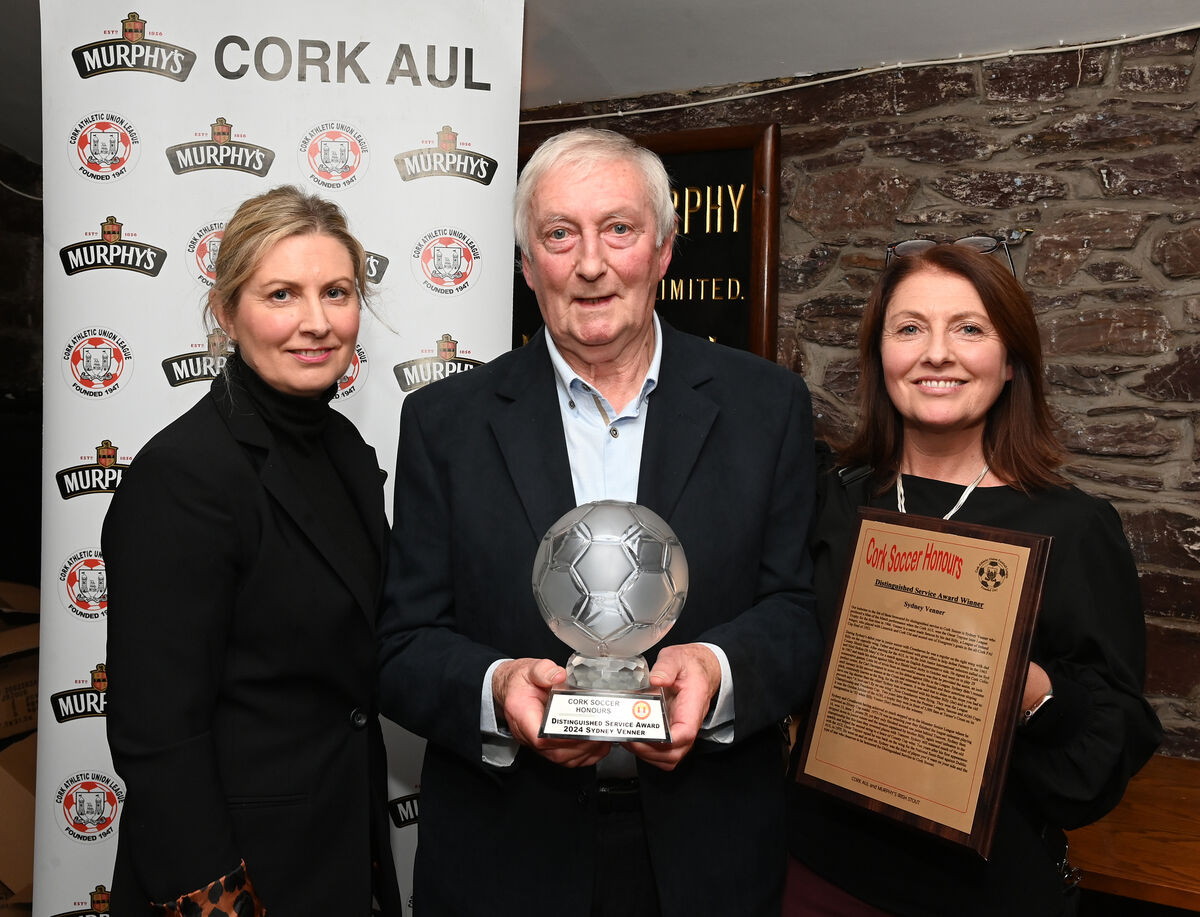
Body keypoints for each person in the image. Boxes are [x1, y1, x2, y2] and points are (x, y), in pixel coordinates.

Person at [377, 127, 822, 916]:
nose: (591, 263)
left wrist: (718, 670)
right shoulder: (446, 423)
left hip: (707, 859)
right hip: (506, 862)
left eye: (619, 228)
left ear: (663, 250)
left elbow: (796, 613)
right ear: (527, 265)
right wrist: (498, 688)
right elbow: (403, 642)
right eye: (559, 234)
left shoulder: (767, 406)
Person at [785, 241, 1162, 917]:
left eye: (969, 328)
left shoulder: (1074, 526)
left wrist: (1026, 687)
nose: (937, 354)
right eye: (909, 328)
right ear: (879, 357)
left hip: (982, 896)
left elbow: (1106, 754)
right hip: (819, 875)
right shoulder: (832, 499)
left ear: (1011, 359)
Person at [103, 185, 403, 915]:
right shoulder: (184, 474)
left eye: (336, 292)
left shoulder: (344, 450)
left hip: (338, 856)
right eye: (281, 294)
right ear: (226, 311)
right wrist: (221, 903)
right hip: (235, 875)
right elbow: (159, 736)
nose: (316, 321)